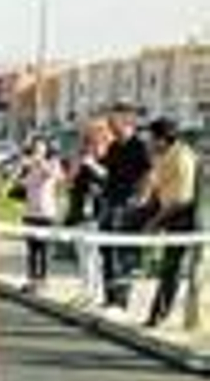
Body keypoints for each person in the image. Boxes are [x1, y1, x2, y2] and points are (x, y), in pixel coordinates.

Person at [141, 117, 201, 328]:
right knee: (167, 267)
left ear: (163, 139)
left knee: (171, 268)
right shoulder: (163, 155)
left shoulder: (183, 157)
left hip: (183, 216)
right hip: (167, 211)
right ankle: (157, 313)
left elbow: (182, 199)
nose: (149, 142)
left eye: (152, 138)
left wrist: (155, 222)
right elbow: (158, 187)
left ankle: (158, 315)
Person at [97, 101, 153, 311]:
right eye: (109, 121)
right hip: (109, 200)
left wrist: (141, 197)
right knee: (106, 250)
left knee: (122, 252)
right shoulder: (113, 146)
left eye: (113, 121)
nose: (110, 125)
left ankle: (121, 300)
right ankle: (110, 297)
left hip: (126, 203)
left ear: (126, 121)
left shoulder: (139, 145)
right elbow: (106, 171)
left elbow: (149, 172)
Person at [65, 115, 112, 307]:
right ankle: (86, 290)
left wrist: (91, 164)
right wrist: (78, 163)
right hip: (79, 208)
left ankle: (97, 292)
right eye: (86, 136)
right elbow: (70, 181)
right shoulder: (81, 154)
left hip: (97, 210)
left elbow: (109, 178)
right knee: (82, 253)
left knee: (94, 253)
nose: (87, 139)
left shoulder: (109, 155)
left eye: (92, 134)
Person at [14, 136, 63, 291]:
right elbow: (19, 183)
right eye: (35, 147)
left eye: (41, 147)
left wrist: (39, 161)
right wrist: (21, 168)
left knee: (43, 248)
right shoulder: (28, 166)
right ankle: (31, 279)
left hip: (46, 213)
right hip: (29, 212)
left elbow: (52, 175)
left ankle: (43, 280)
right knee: (31, 249)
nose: (37, 150)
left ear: (46, 149)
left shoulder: (53, 163)